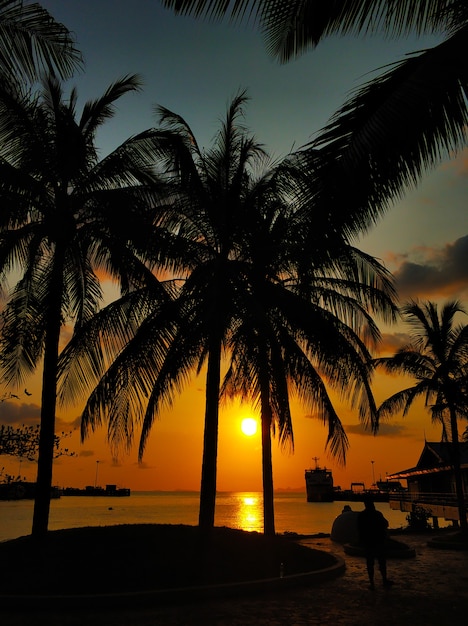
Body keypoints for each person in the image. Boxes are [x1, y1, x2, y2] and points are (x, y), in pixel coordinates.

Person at [357, 497, 393, 590]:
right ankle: (383, 580)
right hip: (378, 541)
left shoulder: (362, 516)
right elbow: (385, 524)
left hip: (369, 542)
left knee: (371, 563)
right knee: (381, 562)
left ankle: (372, 583)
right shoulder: (377, 514)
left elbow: (360, 529)